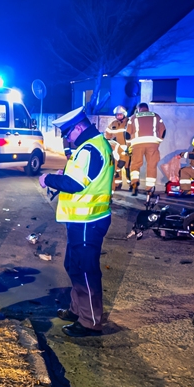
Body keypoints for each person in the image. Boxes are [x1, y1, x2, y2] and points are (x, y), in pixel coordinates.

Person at [40, 106, 114, 337]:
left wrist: (48, 179)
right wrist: (64, 176)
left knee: (85, 271)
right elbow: (83, 177)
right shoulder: (95, 145)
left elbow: (76, 184)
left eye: (67, 133)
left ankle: (90, 322)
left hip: (87, 221)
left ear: (79, 128)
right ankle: (77, 310)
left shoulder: (89, 149)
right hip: (84, 220)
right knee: (73, 266)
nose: (67, 138)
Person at [125, 102, 166, 195]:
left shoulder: (133, 117)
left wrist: (129, 145)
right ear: (147, 108)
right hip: (152, 144)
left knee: (135, 165)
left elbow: (127, 134)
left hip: (137, 144)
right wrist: (158, 141)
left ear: (139, 109)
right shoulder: (156, 116)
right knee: (151, 166)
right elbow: (163, 131)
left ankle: (134, 183)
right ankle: (149, 189)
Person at [104, 106, 129, 191]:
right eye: (117, 115)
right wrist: (109, 142)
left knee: (128, 168)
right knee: (117, 168)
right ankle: (117, 185)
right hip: (117, 150)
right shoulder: (113, 124)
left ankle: (132, 185)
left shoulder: (129, 123)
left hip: (128, 150)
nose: (119, 116)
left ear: (124, 114)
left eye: (120, 115)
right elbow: (107, 134)